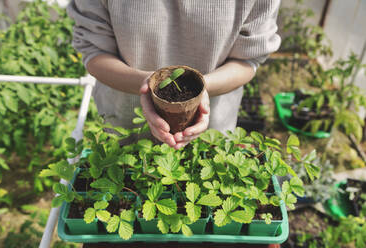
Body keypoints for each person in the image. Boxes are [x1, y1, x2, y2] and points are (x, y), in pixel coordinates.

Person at [67, 0, 281, 149]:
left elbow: (248, 59)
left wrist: (203, 88)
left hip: (212, 137)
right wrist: (145, 84)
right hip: (126, 134)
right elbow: (94, 51)